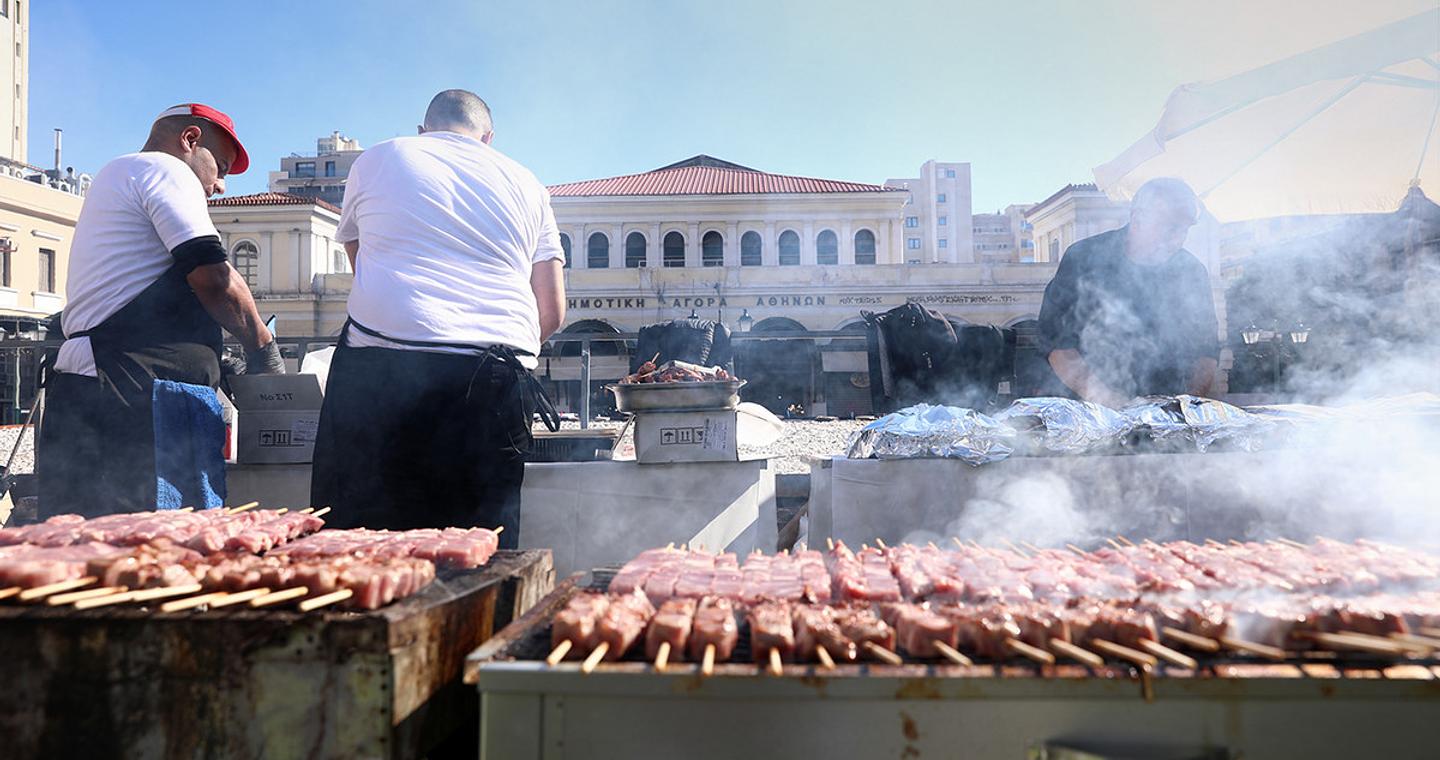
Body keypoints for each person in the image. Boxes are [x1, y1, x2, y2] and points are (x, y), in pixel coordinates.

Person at [310, 89, 565, 547]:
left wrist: (411, 317)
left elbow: (362, 258)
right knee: (479, 551)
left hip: (381, 371)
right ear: (488, 138)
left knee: (361, 547)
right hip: (496, 377)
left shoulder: (380, 157)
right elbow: (553, 310)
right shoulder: (528, 182)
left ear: (422, 131)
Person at [38, 103, 284, 517]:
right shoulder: (165, 169)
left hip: (95, 389)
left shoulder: (117, 174)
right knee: (151, 542)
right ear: (190, 140)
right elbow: (214, 277)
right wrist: (263, 348)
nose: (221, 186)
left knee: (86, 538)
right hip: (130, 396)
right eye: (221, 167)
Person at [1037, 178, 1220, 406]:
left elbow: (1206, 351)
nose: (1177, 240)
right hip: (1091, 412)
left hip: (1167, 413)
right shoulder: (1083, 258)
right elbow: (1058, 348)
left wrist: (1188, 404)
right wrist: (1119, 406)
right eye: (1171, 227)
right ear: (1138, 218)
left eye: (1185, 229)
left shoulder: (1192, 271)